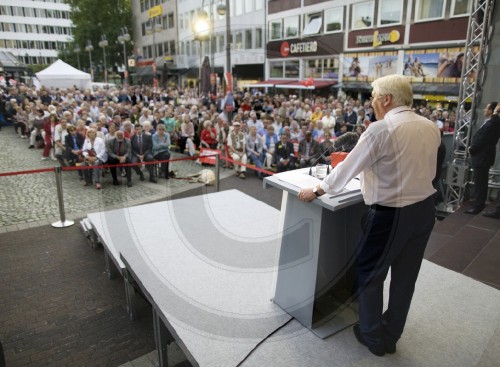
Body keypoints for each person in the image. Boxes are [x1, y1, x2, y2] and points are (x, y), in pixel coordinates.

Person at [298, 75, 441, 357]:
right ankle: (391, 333)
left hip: (390, 216)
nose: (371, 101)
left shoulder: (380, 130)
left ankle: (373, 337)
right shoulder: (430, 126)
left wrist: (317, 189)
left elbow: (346, 169)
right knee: (405, 279)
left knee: (370, 275)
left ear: (386, 99)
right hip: (424, 211)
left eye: (374, 96)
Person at [465, 102, 500, 214]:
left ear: (492, 111)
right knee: (480, 182)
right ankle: (479, 203)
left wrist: (472, 149)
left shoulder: (493, 123)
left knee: (480, 183)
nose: (484, 110)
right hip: (482, 156)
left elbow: (482, 139)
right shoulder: (490, 123)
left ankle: (478, 205)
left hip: (482, 157)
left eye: (487, 108)